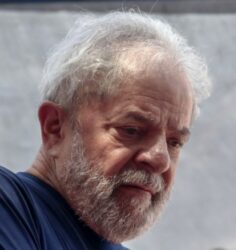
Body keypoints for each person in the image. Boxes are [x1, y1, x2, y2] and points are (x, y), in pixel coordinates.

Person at [0, 11, 211, 249]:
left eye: (174, 142)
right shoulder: (12, 208)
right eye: (132, 129)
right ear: (55, 128)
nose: (161, 159)